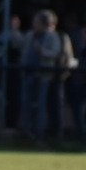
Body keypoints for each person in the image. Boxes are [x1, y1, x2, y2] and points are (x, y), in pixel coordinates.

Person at [21, 10, 62, 142]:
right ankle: (26, 132)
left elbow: (54, 53)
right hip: (28, 73)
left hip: (43, 75)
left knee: (40, 105)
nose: (33, 24)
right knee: (26, 103)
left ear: (44, 23)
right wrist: (14, 30)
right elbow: (19, 44)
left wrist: (41, 52)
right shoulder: (30, 35)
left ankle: (39, 134)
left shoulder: (52, 36)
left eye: (36, 22)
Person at [46, 13, 75, 139]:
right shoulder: (39, 35)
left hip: (58, 76)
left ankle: (57, 133)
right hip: (45, 75)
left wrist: (63, 73)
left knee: (57, 104)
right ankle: (50, 132)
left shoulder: (62, 37)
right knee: (48, 105)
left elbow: (66, 57)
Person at [4, 15, 25, 129]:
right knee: (7, 98)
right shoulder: (3, 35)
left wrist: (14, 31)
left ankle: (12, 124)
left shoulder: (21, 36)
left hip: (16, 72)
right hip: (5, 72)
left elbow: (19, 44)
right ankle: (7, 123)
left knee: (15, 99)